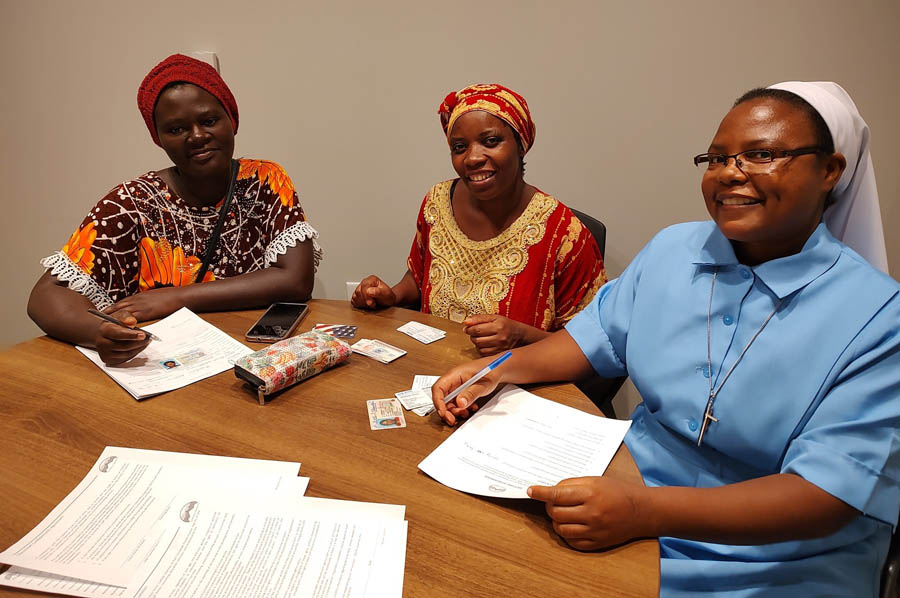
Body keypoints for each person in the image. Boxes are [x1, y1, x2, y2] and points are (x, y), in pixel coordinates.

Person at [431, 82, 898, 597]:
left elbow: (825, 495)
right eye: (716, 158)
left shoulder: (879, 318)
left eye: (761, 154)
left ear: (830, 170)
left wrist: (642, 512)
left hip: (779, 557)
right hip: (624, 489)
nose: (729, 173)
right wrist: (497, 370)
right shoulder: (674, 249)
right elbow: (593, 338)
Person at [28, 54, 320, 366]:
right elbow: (44, 297)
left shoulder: (265, 179)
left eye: (209, 121)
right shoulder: (133, 202)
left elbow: (296, 280)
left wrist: (173, 298)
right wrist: (97, 332)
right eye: (177, 129)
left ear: (231, 120)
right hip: (165, 366)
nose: (197, 136)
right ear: (159, 139)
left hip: (252, 357)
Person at [350, 84, 606, 356]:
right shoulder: (438, 201)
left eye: (491, 141)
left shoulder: (564, 233)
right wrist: (393, 295)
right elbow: (422, 275)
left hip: (520, 386)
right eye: (459, 147)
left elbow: (592, 347)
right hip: (430, 371)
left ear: (520, 145)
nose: (472, 157)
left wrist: (520, 336)